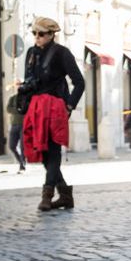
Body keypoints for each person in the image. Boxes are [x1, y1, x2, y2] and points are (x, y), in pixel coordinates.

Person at [18, 17, 85, 212]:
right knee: (44, 152)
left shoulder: (62, 53)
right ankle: (65, 195)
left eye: (41, 34)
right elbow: (30, 79)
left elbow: (79, 82)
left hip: (55, 107)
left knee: (53, 150)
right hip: (36, 107)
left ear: (51, 34)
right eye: (34, 33)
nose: (37, 37)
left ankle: (47, 196)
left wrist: (69, 106)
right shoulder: (31, 53)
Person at [6, 89, 27, 173]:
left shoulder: (27, 98)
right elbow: (8, 109)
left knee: (22, 146)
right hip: (14, 124)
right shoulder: (13, 98)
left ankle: (22, 165)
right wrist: (19, 110)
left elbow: (27, 110)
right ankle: (21, 161)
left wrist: (20, 110)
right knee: (11, 146)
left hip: (24, 125)